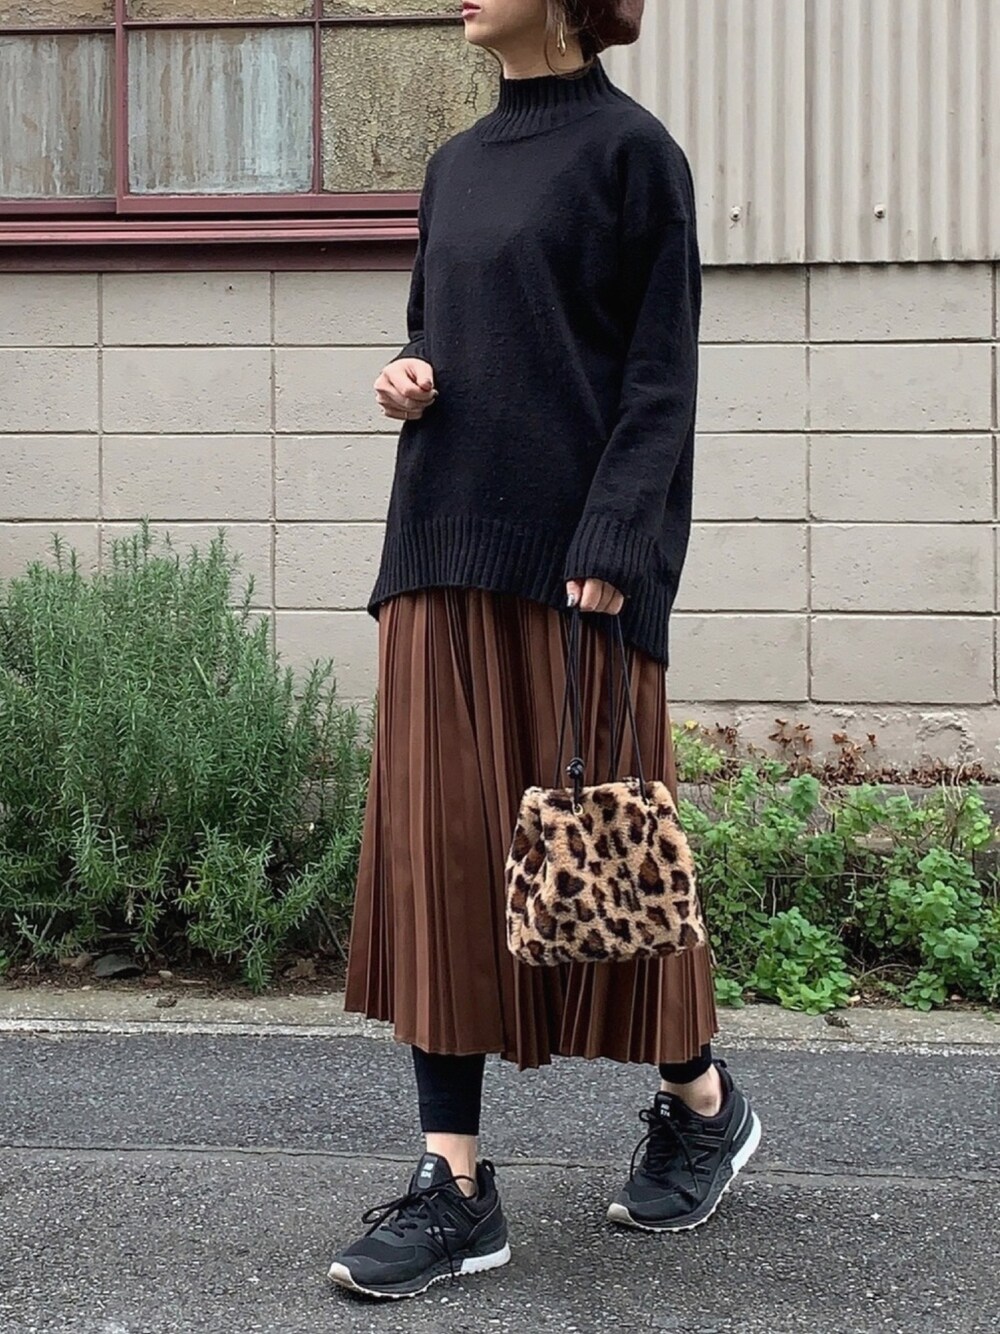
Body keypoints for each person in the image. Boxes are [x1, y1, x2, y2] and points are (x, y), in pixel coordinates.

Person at [328, 0, 761, 1300]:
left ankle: (702, 1100)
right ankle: (455, 1184)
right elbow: (437, 329)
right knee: (444, 867)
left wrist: (619, 537)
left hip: (578, 571)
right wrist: (408, 372)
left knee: (609, 860)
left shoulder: (635, 156)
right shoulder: (455, 165)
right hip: (439, 547)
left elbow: (660, 379)